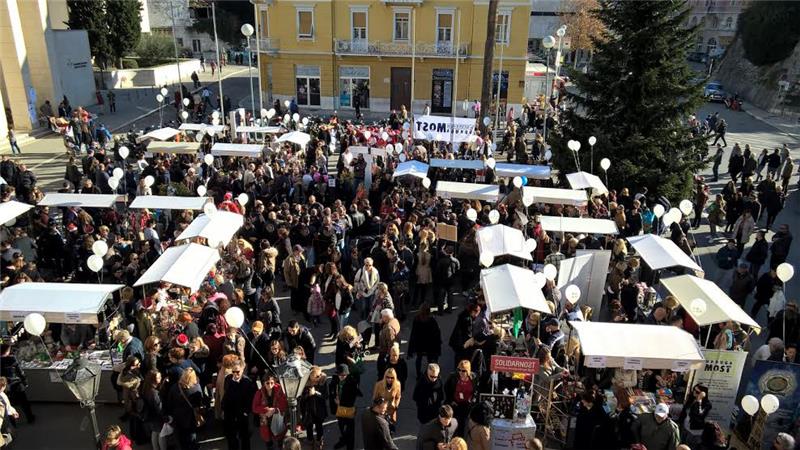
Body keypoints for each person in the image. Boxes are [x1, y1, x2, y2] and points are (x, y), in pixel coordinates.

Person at [222, 359, 257, 450]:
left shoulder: (248, 382)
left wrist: (246, 412)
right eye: (233, 371)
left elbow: (251, 400)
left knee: (245, 439)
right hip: (230, 414)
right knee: (232, 439)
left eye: (237, 372)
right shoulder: (228, 379)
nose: (235, 374)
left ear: (242, 369)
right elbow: (226, 395)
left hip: (242, 415)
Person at [165, 367, 204, 450]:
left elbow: (169, 402)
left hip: (178, 416)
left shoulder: (175, 387)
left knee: (181, 437)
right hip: (191, 417)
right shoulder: (196, 388)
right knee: (191, 436)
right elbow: (199, 402)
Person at [252, 375, 288, 449]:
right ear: (264, 383)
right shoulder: (259, 393)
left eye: (272, 383)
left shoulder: (280, 390)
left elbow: (284, 405)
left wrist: (274, 410)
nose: (270, 385)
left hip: (277, 417)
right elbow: (254, 408)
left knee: (279, 438)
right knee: (268, 440)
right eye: (267, 383)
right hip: (265, 420)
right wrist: (266, 410)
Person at [329, 364, 359, 450]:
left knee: (350, 430)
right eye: (340, 375)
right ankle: (344, 440)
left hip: (348, 409)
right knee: (342, 427)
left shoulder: (352, 383)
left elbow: (352, 399)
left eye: (344, 375)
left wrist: (340, 402)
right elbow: (331, 393)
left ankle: (350, 446)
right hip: (339, 410)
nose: (341, 377)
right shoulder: (335, 381)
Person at [408, 302, 442, 378]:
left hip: (419, 343)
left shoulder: (416, 319)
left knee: (419, 358)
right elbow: (436, 333)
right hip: (429, 344)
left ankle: (418, 374)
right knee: (430, 359)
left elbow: (413, 332)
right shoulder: (432, 320)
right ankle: (430, 373)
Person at [444, 360, 477, 436]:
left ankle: (460, 441)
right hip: (455, 403)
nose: (461, 372)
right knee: (452, 423)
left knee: (462, 424)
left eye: (463, 371)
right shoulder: (453, 376)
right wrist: (451, 400)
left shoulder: (474, 378)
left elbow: (475, 390)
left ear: (468, 371)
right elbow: (447, 388)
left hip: (466, 404)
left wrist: (472, 400)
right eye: (459, 370)